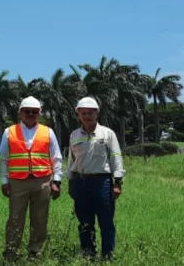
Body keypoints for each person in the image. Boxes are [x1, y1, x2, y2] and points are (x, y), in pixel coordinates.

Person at [0, 96, 63, 262]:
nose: (30, 114)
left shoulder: (48, 132)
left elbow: (56, 158)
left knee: (40, 219)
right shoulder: (10, 131)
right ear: (20, 113)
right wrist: (4, 181)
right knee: (15, 219)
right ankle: (11, 252)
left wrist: (56, 181)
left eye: (34, 112)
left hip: (42, 181)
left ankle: (35, 252)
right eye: (27, 111)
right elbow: (3, 159)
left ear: (40, 113)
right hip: (17, 182)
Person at [65, 97, 124, 260]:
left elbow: (115, 157)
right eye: (83, 113)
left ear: (96, 113)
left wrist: (117, 183)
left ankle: (107, 256)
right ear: (78, 114)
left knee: (106, 222)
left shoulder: (107, 134)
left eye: (90, 113)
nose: (87, 116)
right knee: (84, 222)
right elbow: (71, 160)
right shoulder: (74, 135)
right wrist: (70, 182)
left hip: (102, 182)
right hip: (80, 182)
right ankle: (88, 254)